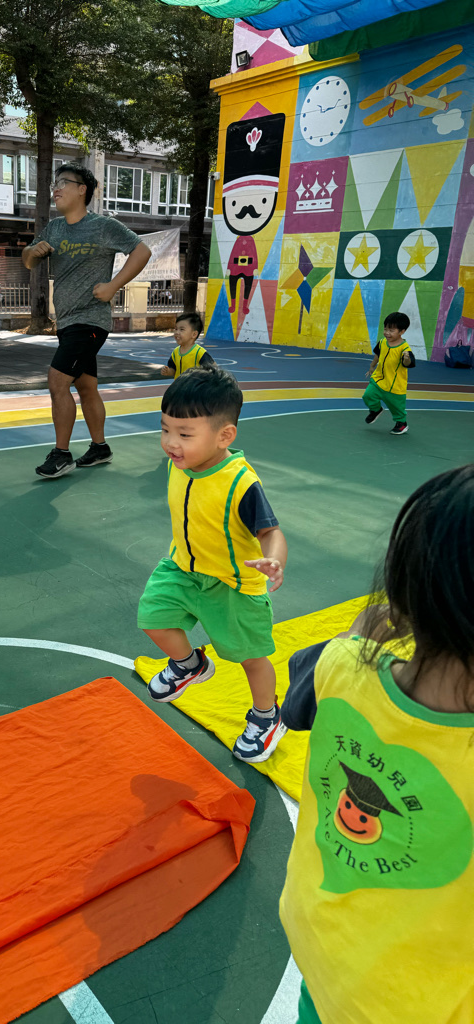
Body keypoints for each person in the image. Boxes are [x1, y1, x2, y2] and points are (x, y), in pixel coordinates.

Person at [279, 465, 474, 1024]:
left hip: (324, 953)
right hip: (413, 1007)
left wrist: (366, 631)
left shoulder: (339, 667)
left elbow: (298, 701)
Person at [137, 367, 289, 762]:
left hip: (232, 585)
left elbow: (271, 532)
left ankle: (267, 716)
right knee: (153, 618)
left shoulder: (240, 483)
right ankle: (189, 664)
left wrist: (274, 559)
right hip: (183, 569)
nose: (171, 443)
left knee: (251, 658)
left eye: (185, 434)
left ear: (224, 436)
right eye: (165, 429)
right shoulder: (179, 465)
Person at [22, 163, 151, 479]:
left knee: (57, 380)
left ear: (82, 189)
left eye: (63, 182)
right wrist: (33, 251)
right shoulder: (54, 228)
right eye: (54, 183)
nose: (56, 188)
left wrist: (113, 286)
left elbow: (142, 251)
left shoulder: (103, 226)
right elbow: (27, 260)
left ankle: (61, 454)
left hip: (90, 320)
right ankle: (100, 448)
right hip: (67, 323)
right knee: (86, 386)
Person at [363, 312, 415, 435]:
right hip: (379, 379)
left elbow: (408, 363)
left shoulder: (404, 348)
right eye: (385, 329)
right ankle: (375, 410)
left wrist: (406, 358)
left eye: (391, 330)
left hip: (394, 385)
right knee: (368, 396)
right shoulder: (382, 342)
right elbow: (378, 354)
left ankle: (401, 423)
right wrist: (372, 366)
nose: (387, 333)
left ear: (402, 331)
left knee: (396, 408)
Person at [160, 313, 216, 379]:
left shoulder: (199, 353)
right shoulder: (175, 352)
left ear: (194, 334)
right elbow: (173, 370)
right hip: (179, 384)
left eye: (182, 329)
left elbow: (214, 368)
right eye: (176, 329)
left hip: (193, 385)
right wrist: (168, 371)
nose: (177, 332)